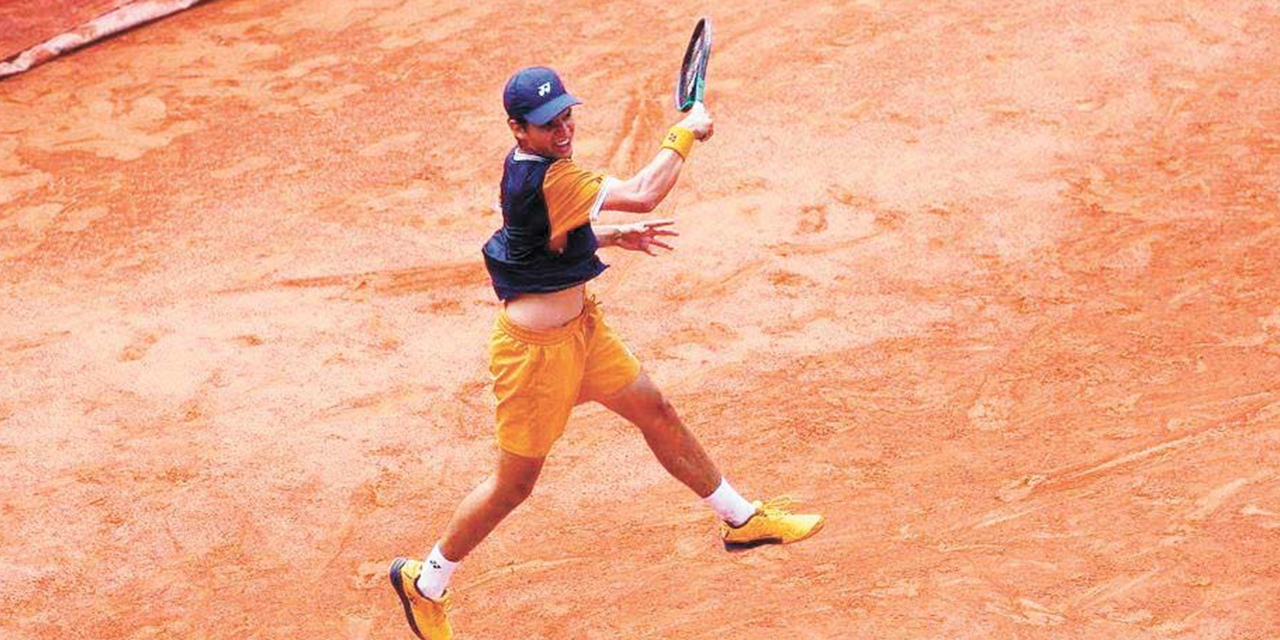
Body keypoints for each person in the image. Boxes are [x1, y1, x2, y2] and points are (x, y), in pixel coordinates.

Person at [388, 66, 823, 640]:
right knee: (513, 486)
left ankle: (740, 519)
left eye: (566, 115)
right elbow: (642, 193)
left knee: (656, 410)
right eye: (547, 124)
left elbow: (548, 235)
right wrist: (685, 131)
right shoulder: (547, 176)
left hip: (583, 333)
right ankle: (426, 580)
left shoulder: (538, 169)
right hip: (536, 358)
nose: (563, 129)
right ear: (518, 129)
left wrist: (611, 236)